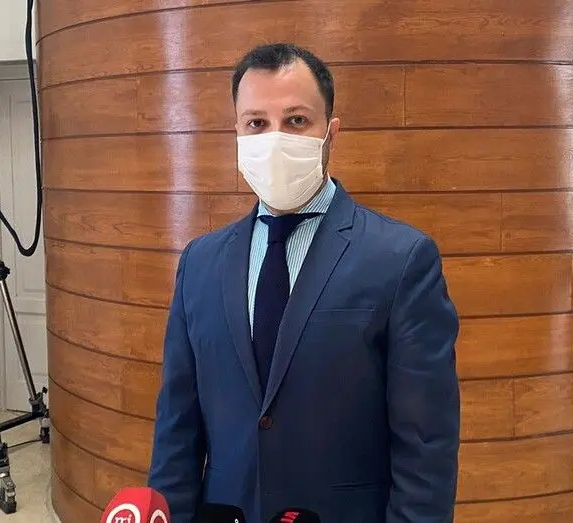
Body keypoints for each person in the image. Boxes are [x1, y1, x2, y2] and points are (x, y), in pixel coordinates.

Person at [147, 43, 461, 523]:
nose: (275, 139)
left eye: (296, 121)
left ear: (331, 133)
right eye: (257, 123)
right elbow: (177, 425)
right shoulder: (200, 263)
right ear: (237, 133)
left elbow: (425, 445)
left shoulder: (401, 259)